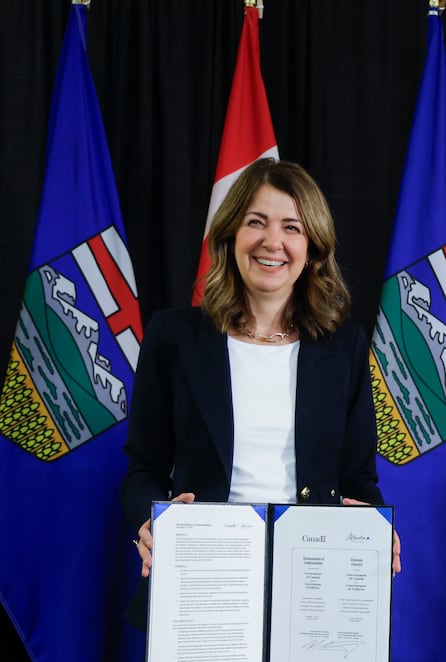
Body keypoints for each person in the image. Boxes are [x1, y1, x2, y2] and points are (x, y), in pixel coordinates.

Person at [123, 157, 399, 582]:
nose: (273, 241)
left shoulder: (345, 347)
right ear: (231, 234)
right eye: (256, 222)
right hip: (203, 568)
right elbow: (143, 469)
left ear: (312, 248)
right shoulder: (173, 336)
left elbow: (357, 479)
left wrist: (375, 530)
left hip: (311, 574)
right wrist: (149, 521)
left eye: (292, 227)